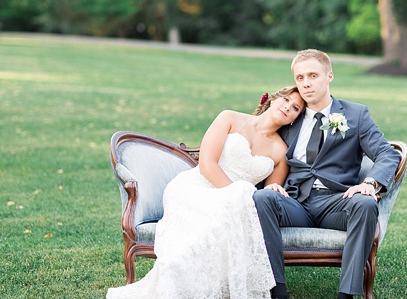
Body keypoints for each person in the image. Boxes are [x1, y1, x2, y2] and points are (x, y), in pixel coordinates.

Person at [106, 86, 305, 299]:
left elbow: (267, 195)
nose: (287, 108)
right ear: (274, 99)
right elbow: (207, 164)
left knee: (221, 222)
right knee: (218, 216)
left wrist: (272, 188)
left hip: (236, 202)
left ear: (295, 119)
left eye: (295, 108)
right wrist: (233, 195)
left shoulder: (281, 151)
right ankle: (176, 276)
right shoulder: (229, 118)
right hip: (197, 188)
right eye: (285, 100)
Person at [253, 49, 401, 299]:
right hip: (295, 202)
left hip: (336, 203)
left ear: (329, 75)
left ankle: (347, 294)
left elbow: (388, 154)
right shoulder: (291, 116)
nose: (306, 83)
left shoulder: (356, 114)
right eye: (300, 78)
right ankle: (277, 291)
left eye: (313, 75)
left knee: (365, 204)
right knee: (263, 199)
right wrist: (269, 184)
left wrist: (369, 182)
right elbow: (259, 137)